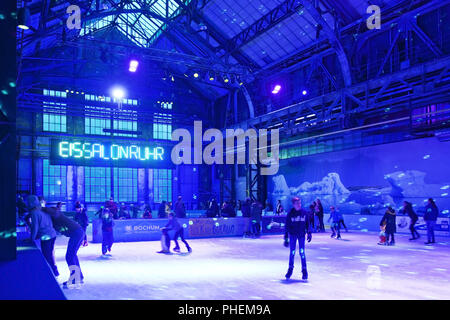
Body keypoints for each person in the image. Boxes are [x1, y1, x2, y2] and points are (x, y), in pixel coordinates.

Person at [43, 202, 85, 287]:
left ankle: (75, 277)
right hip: (77, 232)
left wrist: (39, 208)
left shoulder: (56, 213)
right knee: (72, 255)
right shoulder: (54, 219)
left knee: (69, 256)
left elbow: (53, 211)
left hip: (76, 233)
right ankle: (79, 276)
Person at [27, 195, 59, 277]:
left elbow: (35, 227)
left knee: (46, 256)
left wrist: (32, 238)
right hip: (53, 234)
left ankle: (48, 275)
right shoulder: (43, 209)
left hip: (46, 236)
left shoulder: (34, 212)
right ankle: (55, 272)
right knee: (50, 254)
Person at [284, 197, 312, 281]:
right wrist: (286, 238)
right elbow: (287, 226)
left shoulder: (304, 212)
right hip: (292, 235)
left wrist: (309, 233)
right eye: (297, 203)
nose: (299, 205)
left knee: (302, 252)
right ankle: (290, 269)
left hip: (301, 235)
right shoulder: (290, 213)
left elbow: (308, 223)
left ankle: (304, 270)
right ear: (293, 205)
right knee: (292, 252)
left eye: (300, 203)